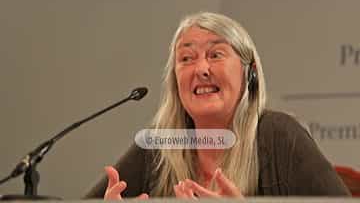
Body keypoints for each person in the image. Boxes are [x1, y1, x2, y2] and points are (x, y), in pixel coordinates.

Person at [85, 12, 350, 199]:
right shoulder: (159, 146)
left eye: (215, 55)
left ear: (251, 73)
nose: (201, 69)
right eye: (187, 58)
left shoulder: (280, 135)